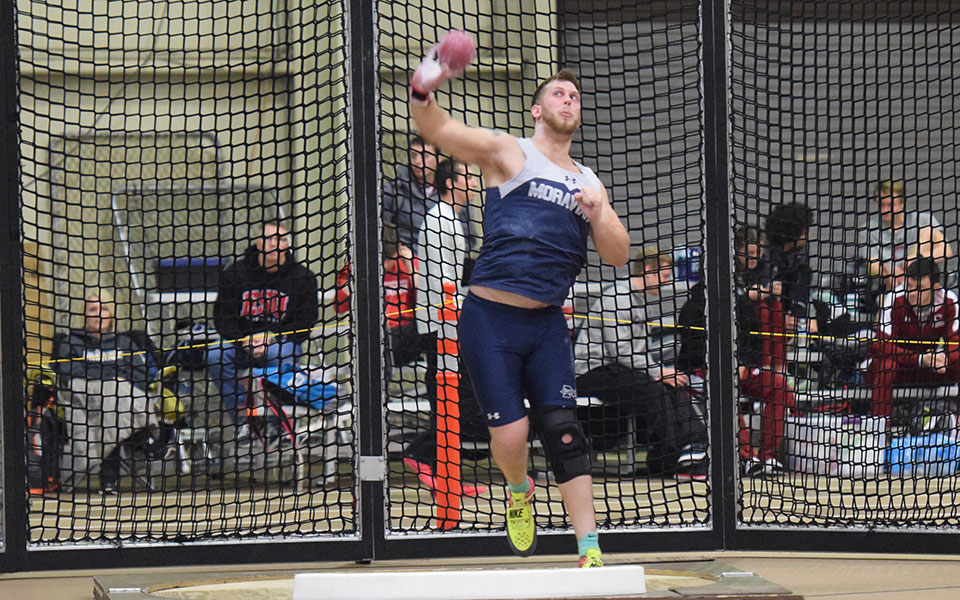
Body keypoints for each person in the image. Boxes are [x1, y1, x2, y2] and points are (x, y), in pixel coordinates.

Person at [410, 48, 630, 567]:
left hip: (547, 323)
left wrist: (598, 214)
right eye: (558, 92)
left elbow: (618, 253)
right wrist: (425, 84)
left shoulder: (588, 180)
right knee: (510, 435)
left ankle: (590, 547)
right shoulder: (510, 153)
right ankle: (517, 490)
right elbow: (437, 128)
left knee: (565, 430)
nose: (568, 99)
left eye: (574, 96)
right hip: (490, 319)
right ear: (537, 109)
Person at [574, 247, 709, 480]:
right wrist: (658, 371)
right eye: (665, 276)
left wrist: (662, 372)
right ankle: (671, 456)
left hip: (620, 369)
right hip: (593, 371)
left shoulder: (638, 302)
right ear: (648, 271)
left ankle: (692, 447)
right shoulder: (617, 298)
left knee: (672, 385)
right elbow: (619, 351)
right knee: (653, 390)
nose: (667, 283)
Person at [677, 226, 796, 476]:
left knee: (779, 387)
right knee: (725, 386)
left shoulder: (740, 303)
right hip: (706, 372)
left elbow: (752, 341)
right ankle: (745, 457)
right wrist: (721, 365)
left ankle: (768, 456)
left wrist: (742, 362)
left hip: (741, 369)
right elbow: (691, 347)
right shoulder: (695, 304)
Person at [403, 158, 488, 497]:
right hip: (444, 328)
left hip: (446, 325)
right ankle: (420, 453)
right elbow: (443, 283)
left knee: (453, 403)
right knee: (461, 404)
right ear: (451, 182)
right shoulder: (442, 221)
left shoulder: (451, 219)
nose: (472, 181)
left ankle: (446, 479)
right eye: (467, 175)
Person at [208, 221, 319, 425]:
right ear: (259, 242)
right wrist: (244, 339)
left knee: (281, 354)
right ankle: (243, 421)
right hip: (241, 343)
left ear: (287, 245)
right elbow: (222, 318)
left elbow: (306, 322)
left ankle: (278, 426)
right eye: (269, 239)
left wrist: (272, 337)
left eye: (281, 239)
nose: (274, 245)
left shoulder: (303, 277)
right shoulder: (235, 273)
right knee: (215, 355)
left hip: (280, 342)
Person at [52, 292, 161, 494]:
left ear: (111, 313)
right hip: (85, 395)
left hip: (120, 399)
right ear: (84, 314)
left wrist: (113, 380)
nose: (98, 314)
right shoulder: (71, 342)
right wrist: (109, 378)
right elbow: (69, 372)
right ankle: (143, 439)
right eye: (93, 310)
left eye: (103, 309)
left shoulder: (125, 342)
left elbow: (140, 374)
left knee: (117, 397)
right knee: (114, 392)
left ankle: (110, 476)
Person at [865, 258, 960, 422]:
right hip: (894, 366)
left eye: (920, 288)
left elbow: (955, 345)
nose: (912, 292)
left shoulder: (950, 302)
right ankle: (879, 435)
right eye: (909, 286)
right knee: (887, 366)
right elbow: (882, 345)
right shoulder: (894, 299)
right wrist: (919, 359)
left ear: (935, 288)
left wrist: (944, 360)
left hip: (924, 369)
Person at [859, 180, 954, 294]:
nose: (884, 210)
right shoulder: (868, 229)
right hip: (887, 288)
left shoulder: (923, 220)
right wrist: (891, 271)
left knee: (927, 230)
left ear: (902, 203)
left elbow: (946, 251)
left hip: (923, 288)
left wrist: (915, 261)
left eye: (890, 205)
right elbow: (871, 264)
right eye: (881, 204)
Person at [759, 202, 816, 371]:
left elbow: (802, 285)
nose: (808, 236)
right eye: (805, 231)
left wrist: (802, 314)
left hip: (791, 312)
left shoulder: (800, 252)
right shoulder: (765, 253)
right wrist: (783, 317)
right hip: (767, 313)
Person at [382, 134, 441, 250]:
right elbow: (383, 228)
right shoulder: (396, 190)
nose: (417, 161)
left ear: (438, 159)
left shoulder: (450, 191)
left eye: (425, 156)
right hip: (404, 261)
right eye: (413, 155)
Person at [382, 223, 420, 371]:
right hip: (375, 335)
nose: (386, 265)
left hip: (407, 335)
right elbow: (340, 307)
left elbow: (426, 298)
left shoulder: (409, 262)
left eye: (389, 259)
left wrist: (410, 267)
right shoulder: (359, 267)